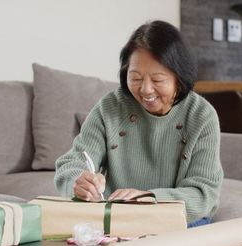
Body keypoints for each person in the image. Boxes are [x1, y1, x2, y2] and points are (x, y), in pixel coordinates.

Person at [54, 20, 223, 225]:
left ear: (178, 78)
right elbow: (72, 162)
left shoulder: (201, 116)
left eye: (158, 80)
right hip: (118, 218)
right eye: (135, 78)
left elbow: (203, 193)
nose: (145, 90)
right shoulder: (110, 107)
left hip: (178, 219)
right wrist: (77, 180)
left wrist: (148, 199)